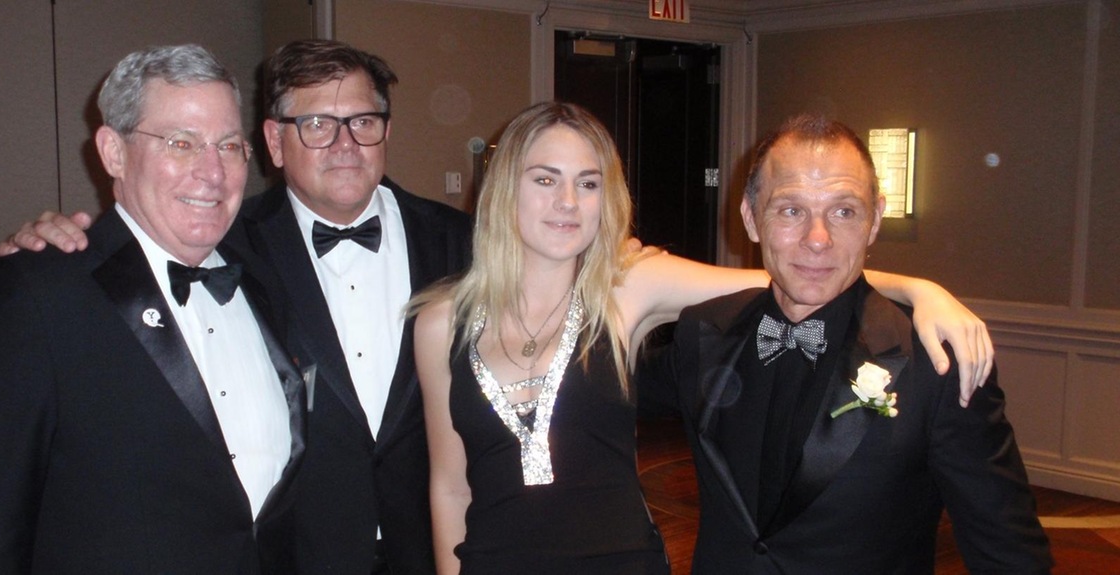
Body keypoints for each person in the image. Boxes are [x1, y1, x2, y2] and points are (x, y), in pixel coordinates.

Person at [410, 102, 997, 574]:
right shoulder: (440, 324)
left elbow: (792, 273)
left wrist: (922, 289)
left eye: (588, 184)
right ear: (503, 190)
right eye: (545, 179)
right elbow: (450, 487)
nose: (568, 203)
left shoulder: (628, 286)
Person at [0, 40, 473, 575]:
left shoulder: (463, 244)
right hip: (297, 558)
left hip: (432, 552)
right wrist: (45, 246)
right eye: (316, 124)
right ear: (273, 140)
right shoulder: (220, 240)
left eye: (363, 120)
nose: (345, 145)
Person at [0, 45, 304, 574]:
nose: (212, 172)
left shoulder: (262, 277)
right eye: (181, 142)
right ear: (113, 152)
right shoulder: (34, 296)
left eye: (229, 145)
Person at [641, 114, 1052, 573]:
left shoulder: (936, 363)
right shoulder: (705, 332)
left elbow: (1008, 551)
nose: (818, 239)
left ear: (874, 220)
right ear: (750, 218)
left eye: (844, 211)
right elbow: (597, 394)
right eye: (791, 210)